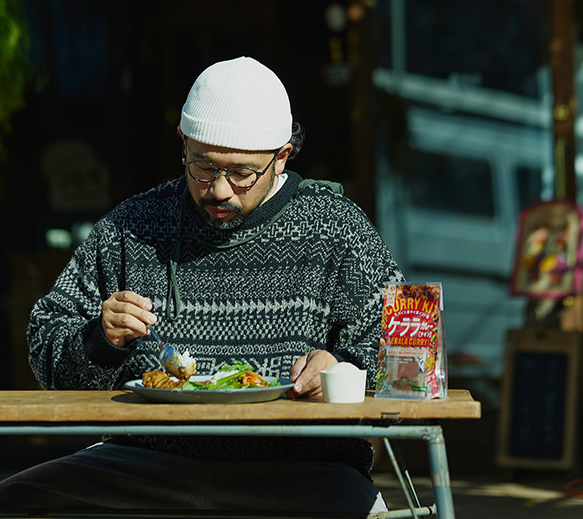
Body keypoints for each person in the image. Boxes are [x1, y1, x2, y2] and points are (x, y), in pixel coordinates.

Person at [0, 56, 404, 514]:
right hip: (143, 462)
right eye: (203, 166)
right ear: (183, 143)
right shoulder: (134, 225)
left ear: (283, 156)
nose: (220, 190)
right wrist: (99, 339)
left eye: (242, 173)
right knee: (19, 502)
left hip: (303, 466)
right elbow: (44, 345)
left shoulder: (336, 228)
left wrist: (343, 367)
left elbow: (404, 348)